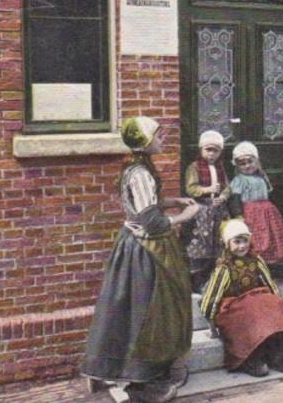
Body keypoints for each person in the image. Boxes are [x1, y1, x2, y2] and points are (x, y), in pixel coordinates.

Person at [81, 116, 200, 403]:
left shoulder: (138, 167)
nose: (163, 140)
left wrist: (172, 202)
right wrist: (185, 215)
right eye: (159, 136)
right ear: (146, 141)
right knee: (148, 311)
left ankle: (141, 371)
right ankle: (141, 380)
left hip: (138, 245)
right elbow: (152, 221)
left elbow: (144, 204)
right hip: (146, 250)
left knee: (137, 309)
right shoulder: (140, 173)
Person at [200, 219, 283, 377]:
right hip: (233, 306)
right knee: (249, 315)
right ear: (227, 244)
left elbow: (270, 284)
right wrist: (211, 322)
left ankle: (273, 353)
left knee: (270, 304)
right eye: (236, 242)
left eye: (245, 241)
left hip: (253, 302)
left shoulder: (256, 261)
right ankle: (250, 359)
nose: (241, 246)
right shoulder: (225, 268)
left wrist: (278, 305)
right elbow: (212, 297)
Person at [229, 141, 283, 266]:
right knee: (256, 239)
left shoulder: (261, 178)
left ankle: (270, 267)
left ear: (257, 161)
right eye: (242, 164)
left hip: (267, 212)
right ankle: (254, 266)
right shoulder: (239, 180)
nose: (247, 166)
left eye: (250, 162)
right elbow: (235, 198)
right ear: (237, 166)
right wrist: (238, 215)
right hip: (250, 212)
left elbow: (269, 193)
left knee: (271, 237)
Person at [183, 130, 231, 293]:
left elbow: (227, 186)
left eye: (215, 151)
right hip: (202, 211)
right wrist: (207, 189)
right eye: (208, 150)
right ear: (201, 150)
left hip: (217, 210)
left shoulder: (220, 167)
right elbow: (191, 188)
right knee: (200, 244)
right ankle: (196, 281)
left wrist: (223, 197)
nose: (211, 154)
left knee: (217, 243)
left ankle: (213, 279)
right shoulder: (194, 167)